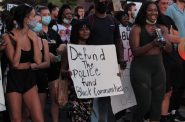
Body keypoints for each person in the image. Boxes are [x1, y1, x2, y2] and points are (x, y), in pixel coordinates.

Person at [129, 1, 172, 122]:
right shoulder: (137, 28)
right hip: (141, 69)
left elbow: (169, 49)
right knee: (144, 105)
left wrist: (162, 40)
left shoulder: (162, 28)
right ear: (144, 12)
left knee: (156, 106)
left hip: (158, 69)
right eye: (150, 10)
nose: (154, 12)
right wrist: (152, 43)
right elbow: (135, 51)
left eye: (155, 10)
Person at [2, 4, 43, 122]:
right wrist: (19, 43)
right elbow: (14, 64)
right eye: (34, 16)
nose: (36, 19)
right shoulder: (8, 36)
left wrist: (35, 40)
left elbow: (38, 61)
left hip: (29, 77)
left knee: (38, 119)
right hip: (14, 78)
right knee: (16, 119)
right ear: (25, 18)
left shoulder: (33, 35)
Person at [87, 0, 126, 122]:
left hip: (109, 65)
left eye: (105, 0)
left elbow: (118, 40)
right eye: (100, 0)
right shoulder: (89, 20)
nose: (103, 2)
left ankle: (102, 120)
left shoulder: (112, 20)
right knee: (94, 97)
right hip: (92, 66)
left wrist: (120, 59)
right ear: (94, 2)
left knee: (105, 97)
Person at [58, 19, 93, 122]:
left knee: (87, 117)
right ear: (76, 31)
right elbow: (62, 71)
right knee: (76, 118)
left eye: (87, 29)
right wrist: (68, 73)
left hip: (89, 91)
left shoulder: (93, 48)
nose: (85, 31)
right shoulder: (69, 48)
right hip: (74, 92)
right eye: (82, 29)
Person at [155, 0, 183, 122]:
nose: (166, 6)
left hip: (173, 56)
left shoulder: (168, 19)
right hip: (157, 59)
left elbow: (177, 38)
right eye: (163, 3)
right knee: (163, 89)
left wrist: (166, 35)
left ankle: (170, 113)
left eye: (167, 3)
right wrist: (168, 34)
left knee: (174, 87)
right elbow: (164, 37)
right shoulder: (153, 19)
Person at [37, 6, 63, 122]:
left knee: (55, 101)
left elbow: (60, 45)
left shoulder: (53, 32)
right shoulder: (35, 33)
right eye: (44, 15)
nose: (47, 17)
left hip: (54, 71)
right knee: (39, 104)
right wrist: (46, 57)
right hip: (40, 72)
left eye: (48, 14)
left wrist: (62, 47)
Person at [165, 0, 185, 121]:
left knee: (182, 83)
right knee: (176, 82)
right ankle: (169, 111)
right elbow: (167, 30)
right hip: (176, 51)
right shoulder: (171, 9)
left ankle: (175, 110)